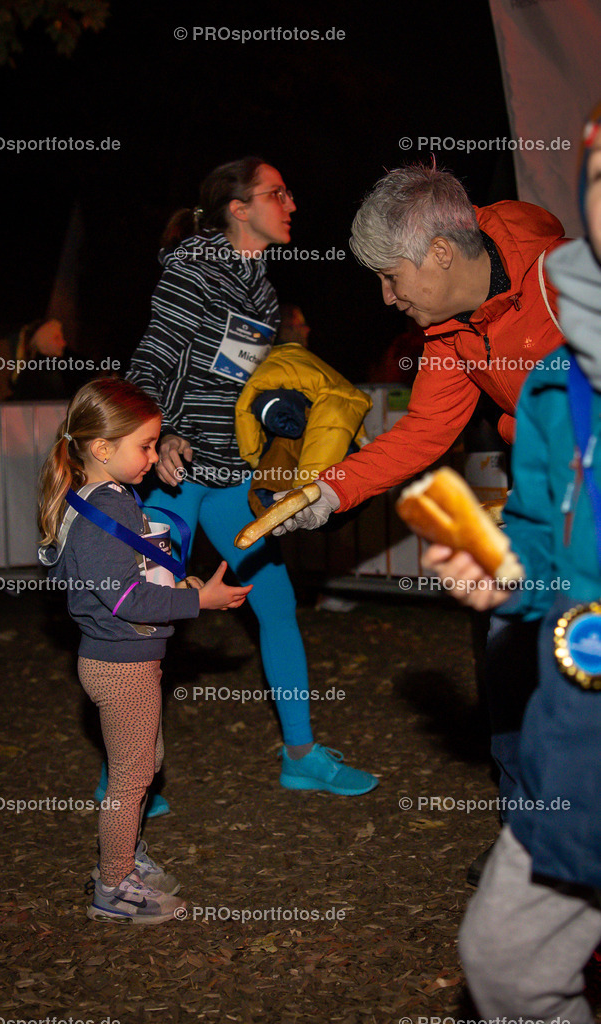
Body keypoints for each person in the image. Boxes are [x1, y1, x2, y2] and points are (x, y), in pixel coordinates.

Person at [273, 164, 567, 838]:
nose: (384, 297)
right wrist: (329, 489)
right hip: (543, 492)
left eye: (389, 275)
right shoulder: (449, 328)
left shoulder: (562, 282)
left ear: (440, 253)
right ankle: (527, 843)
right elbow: (428, 429)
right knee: (509, 658)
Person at [424, 104, 601, 1022]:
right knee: (501, 961)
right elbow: (543, 537)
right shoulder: (556, 388)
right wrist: (503, 569)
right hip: (582, 740)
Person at [127, 156, 377, 796]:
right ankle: (126, 781)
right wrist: (157, 436)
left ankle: (300, 754)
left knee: (277, 605)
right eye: (277, 193)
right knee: (144, 624)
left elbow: (242, 381)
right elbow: (153, 357)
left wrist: (280, 411)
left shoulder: (261, 288)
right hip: (174, 478)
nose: (291, 203)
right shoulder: (194, 266)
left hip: (233, 476)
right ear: (239, 208)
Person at [37, 378, 251, 924]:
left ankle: (124, 855)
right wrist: (198, 601)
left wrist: (180, 587)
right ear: (103, 449)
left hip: (126, 662)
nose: (154, 456)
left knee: (143, 765)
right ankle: (113, 885)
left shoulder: (102, 498)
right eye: (146, 445)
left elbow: (130, 577)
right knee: (131, 780)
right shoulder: (101, 512)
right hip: (121, 666)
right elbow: (128, 598)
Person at [235, 305, 372, 516]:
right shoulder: (297, 363)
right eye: (302, 325)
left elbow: (245, 407)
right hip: (323, 459)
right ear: (286, 329)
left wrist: (253, 453)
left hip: (295, 458)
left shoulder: (294, 364)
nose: (307, 330)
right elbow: (338, 410)